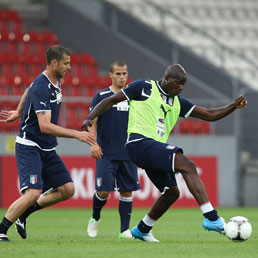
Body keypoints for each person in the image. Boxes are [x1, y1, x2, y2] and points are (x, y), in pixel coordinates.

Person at [82, 64, 247, 242]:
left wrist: (233, 106)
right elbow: (112, 100)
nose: (181, 87)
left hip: (151, 149)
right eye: (178, 83)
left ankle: (142, 229)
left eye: (183, 84)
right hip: (138, 143)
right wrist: (91, 116)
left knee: (172, 192)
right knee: (188, 165)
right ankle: (211, 217)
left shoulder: (178, 102)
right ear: (167, 79)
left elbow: (209, 114)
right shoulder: (144, 87)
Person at [0, 45, 96, 242]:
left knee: (67, 189)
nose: (69, 67)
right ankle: (2, 229)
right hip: (30, 145)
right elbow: (44, 125)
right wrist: (76, 135)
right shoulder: (42, 86)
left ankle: (24, 215)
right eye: (66, 63)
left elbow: (28, 90)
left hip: (46, 147)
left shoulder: (54, 79)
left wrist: (18, 112)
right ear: (54, 63)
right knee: (33, 192)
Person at [87, 61, 140, 239]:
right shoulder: (101, 96)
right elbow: (92, 121)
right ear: (110, 75)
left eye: (124, 73)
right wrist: (93, 144)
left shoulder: (134, 98)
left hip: (128, 153)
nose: (122, 77)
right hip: (106, 153)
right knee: (103, 192)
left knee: (126, 191)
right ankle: (95, 217)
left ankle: (124, 230)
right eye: (118, 74)